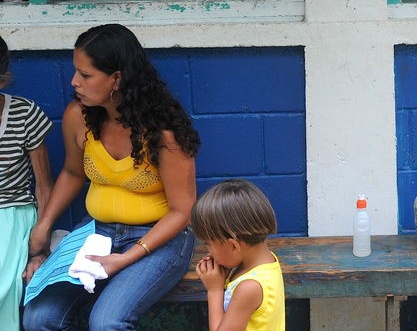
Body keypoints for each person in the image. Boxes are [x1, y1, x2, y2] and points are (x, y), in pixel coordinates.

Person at [22, 23, 200, 330]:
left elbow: (182, 212)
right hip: (95, 234)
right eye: (75, 71)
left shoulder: (163, 132)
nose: (75, 82)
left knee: (106, 322)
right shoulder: (78, 116)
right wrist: (44, 224)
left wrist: (127, 257)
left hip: (157, 240)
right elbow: (73, 172)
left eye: (86, 75)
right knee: (39, 319)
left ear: (117, 78)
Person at [0, 35, 53, 331]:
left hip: (13, 212)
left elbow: (44, 185)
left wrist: (39, 244)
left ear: (3, 78)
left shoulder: (24, 114)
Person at [191, 179, 285, 331]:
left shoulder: (249, 287)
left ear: (233, 245)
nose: (208, 250)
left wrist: (214, 290)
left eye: (209, 243)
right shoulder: (265, 261)